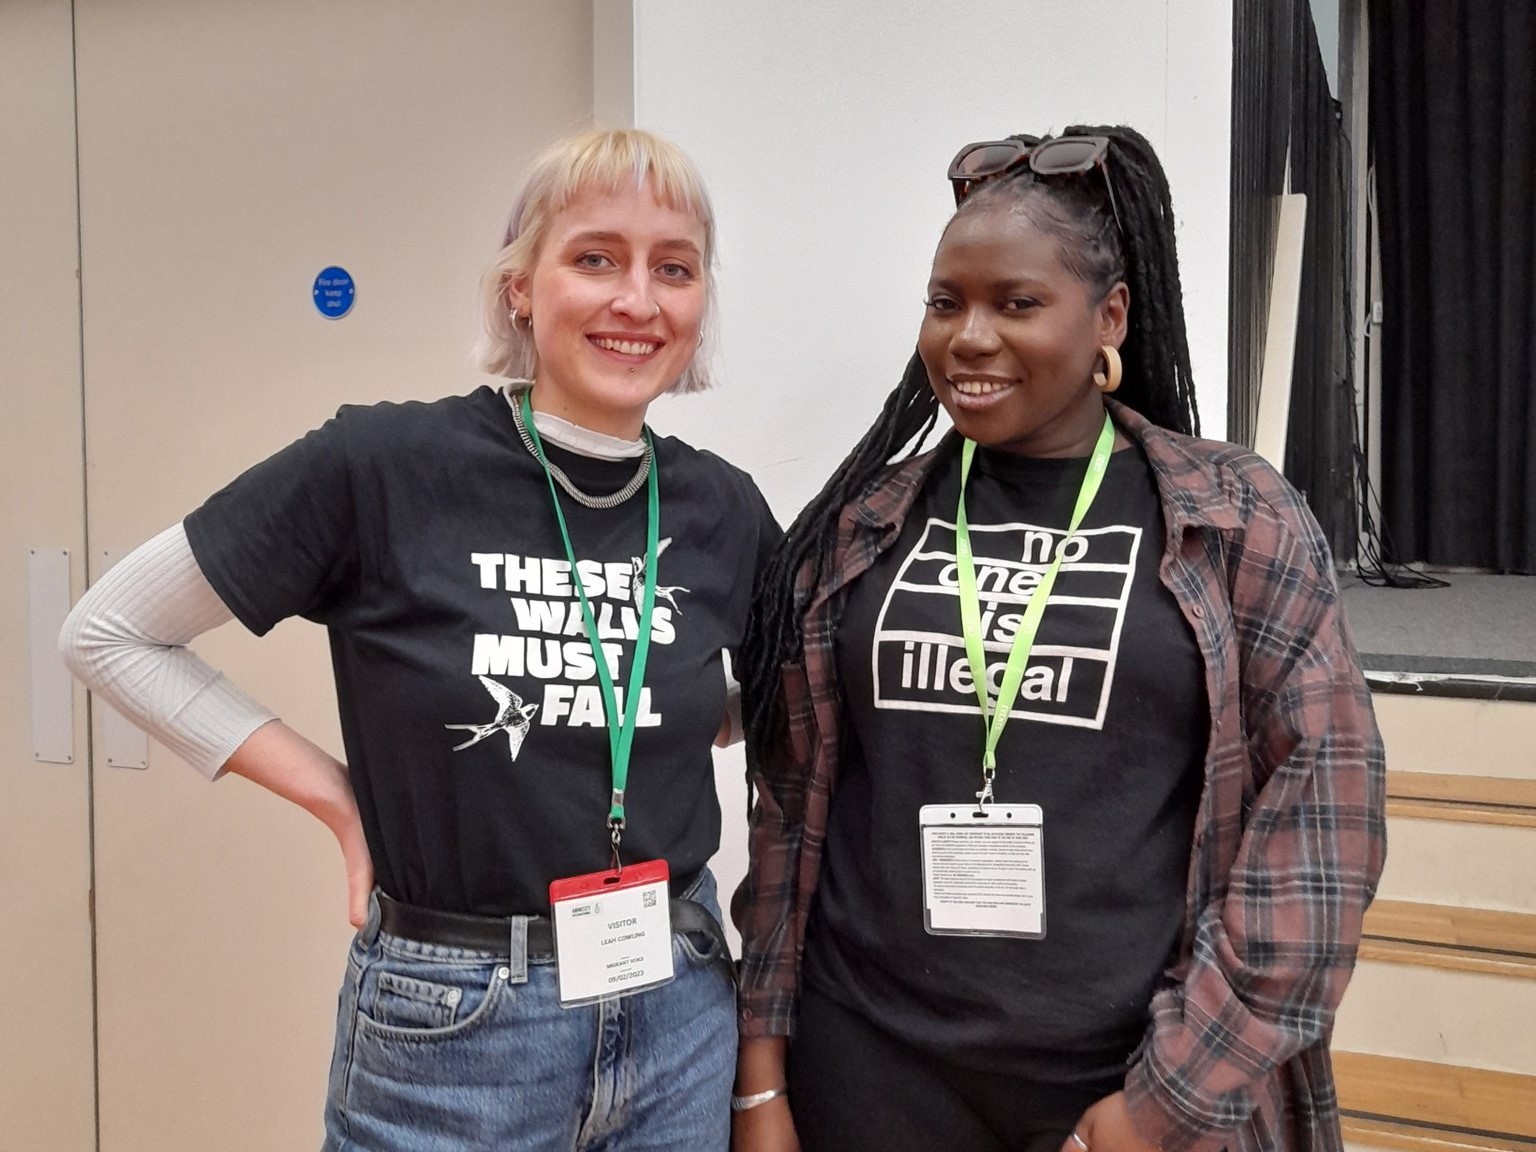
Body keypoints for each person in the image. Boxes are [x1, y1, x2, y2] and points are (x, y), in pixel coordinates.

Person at [60, 128, 778, 1151]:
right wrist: (336, 797)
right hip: (457, 1025)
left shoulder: (722, 506)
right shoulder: (384, 467)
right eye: (595, 258)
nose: (637, 300)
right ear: (521, 287)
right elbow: (110, 632)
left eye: (674, 268)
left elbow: (781, 703)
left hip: (677, 1006)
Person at [730, 126, 1385, 1152]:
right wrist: (761, 1076)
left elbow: (1321, 830)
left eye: (1016, 303)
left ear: (1109, 316)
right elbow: (793, 813)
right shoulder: (860, 528)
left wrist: (1158, 1110)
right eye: (945, 303)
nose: (969, 337)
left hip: (1115, 1086)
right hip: (868, 1066)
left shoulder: (1233, 520)